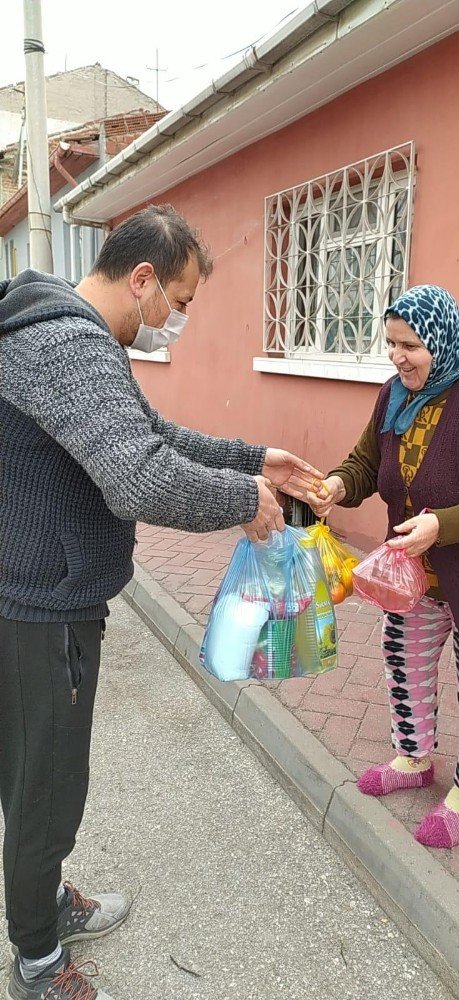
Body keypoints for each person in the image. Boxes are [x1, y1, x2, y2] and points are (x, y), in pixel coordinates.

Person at [0, 204, 323, 1000]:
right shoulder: (68, 345)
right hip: (42, 610)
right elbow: (140, 476)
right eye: (179, 302)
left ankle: (45, 903)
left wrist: (256, 459)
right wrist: (243, 499)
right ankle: (37, 960)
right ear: (141, 278)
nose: (177, 320)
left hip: (41, 595)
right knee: (46, 789)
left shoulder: (73, 336)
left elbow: (156, 435)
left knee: (37, 775)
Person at [309, 284, 459, 849]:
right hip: (416, 572)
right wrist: (338, 484)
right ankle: (414, 759)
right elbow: (368, 460)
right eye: (391, 344)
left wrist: (443, 524)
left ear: (441, 340)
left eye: (410, 345)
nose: (398, 357)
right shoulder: (396, 394)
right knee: (405, 661)